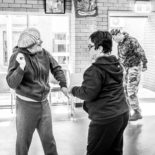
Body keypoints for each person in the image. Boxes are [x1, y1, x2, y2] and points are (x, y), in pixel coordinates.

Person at [6, 27, 68, 155]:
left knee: (49, 141)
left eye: (40, 42)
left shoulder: (43, 53)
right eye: (37, 44)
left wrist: (63, 84)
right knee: (23, 142)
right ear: (28, 46)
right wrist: (21, 67)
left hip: (44, 104)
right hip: (25, 106)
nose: (41, 44)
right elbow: (12, 83)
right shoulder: (17, 56)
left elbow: (56, 68)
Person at [69, 30, 129, 155]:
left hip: (105, 118)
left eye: (90, 47)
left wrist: (73, 90)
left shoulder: (95, 70)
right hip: (122, 114)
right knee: (115, 151)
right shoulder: (116, 65)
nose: (88, 50)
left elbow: (88, 93)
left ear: (99, 48)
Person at [110, 29, 148, 121]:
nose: (114, 41)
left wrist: (145, 64)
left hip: (134, 67)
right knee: (126, 90)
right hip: (126, 69)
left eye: (114, 38)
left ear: (119, 34)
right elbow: (121, 57)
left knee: (131, 90)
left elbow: (141, 52)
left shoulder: (131, 40)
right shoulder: (120, 43)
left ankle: (137, 112)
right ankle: (128, 111)